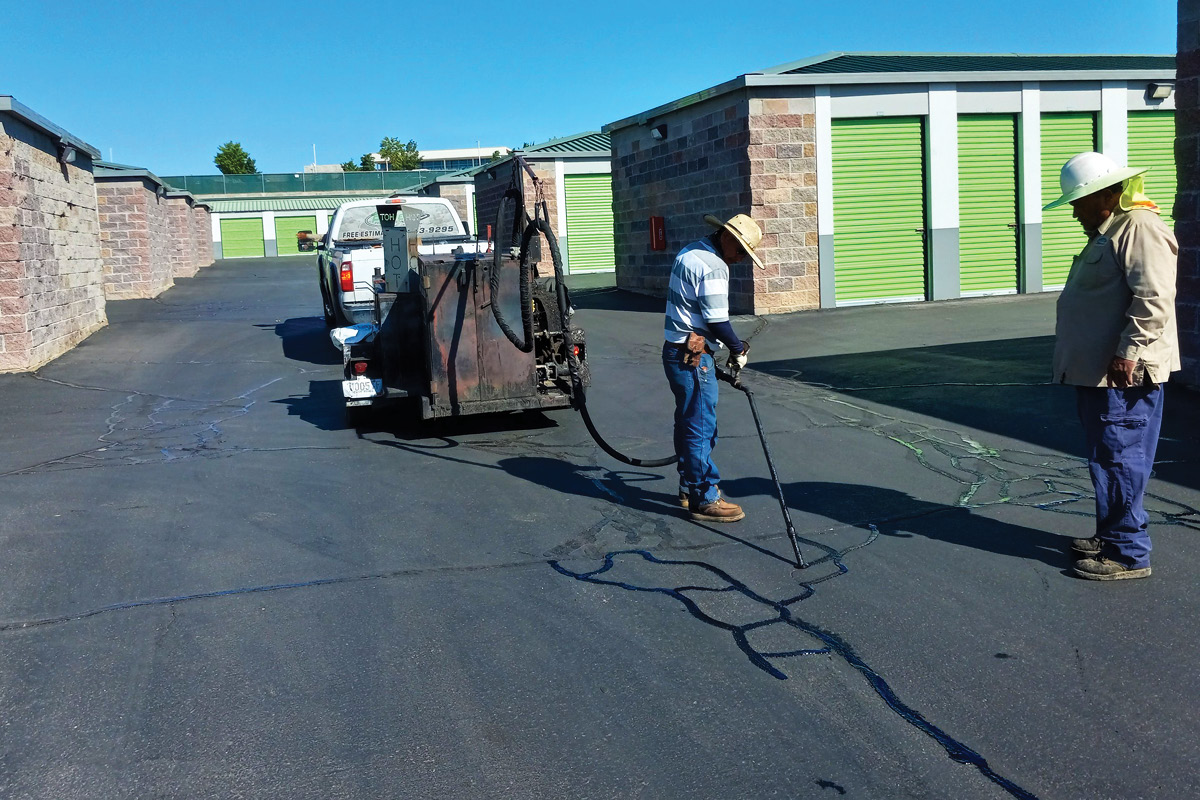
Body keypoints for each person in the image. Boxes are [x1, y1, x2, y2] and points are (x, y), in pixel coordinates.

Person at [1044, 151, 1179, 580]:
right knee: (1109, 457)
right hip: (1101, 373)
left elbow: (1154, 298)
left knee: (1121, 458)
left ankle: (1127, 553)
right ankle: (1113, 535)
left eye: (1078, 202)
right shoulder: (1113, 229)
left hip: (1122, 373)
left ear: (1105, 194)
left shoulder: (1138, 227)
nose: (1074, 212)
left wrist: (1129, 352)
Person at [662, 213, 765, 523]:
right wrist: (738, 348)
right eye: (741, 251)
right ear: (728, 237)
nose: (740, 259)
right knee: (700, 426)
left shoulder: (691, 251)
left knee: (688, 422)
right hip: (693, 357)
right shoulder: (714, 266)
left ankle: (688, 485)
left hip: (676, 351)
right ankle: (704, 497)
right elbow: (717, 321)